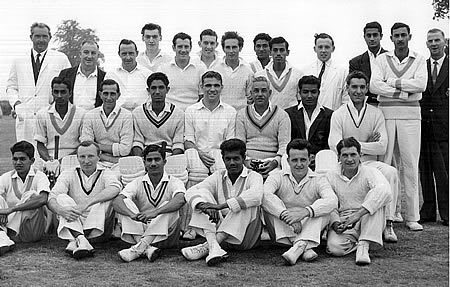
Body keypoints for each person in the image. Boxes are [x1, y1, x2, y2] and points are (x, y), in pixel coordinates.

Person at [328, 71, 400, 242]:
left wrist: (353, 145)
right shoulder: (339, 114)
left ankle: (388, 224)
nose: (358, 91)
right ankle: (336, 221)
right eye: (354, 87)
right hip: (347, 164)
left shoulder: (376, 113)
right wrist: (366, 145)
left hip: (369, 164)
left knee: (390, 172)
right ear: (347, 88)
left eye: (362, 87)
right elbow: (334, 144)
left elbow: (382, 146)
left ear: (367, 88)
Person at [370, 22, 427, 231]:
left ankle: (412, 216)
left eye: (403, 35)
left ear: (409, 36)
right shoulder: (382, 59)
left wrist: (392, 83)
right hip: (385, 114)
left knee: (410, 164)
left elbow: (421, 86)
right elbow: (374, 85)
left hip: (411, 117)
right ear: (391, 38)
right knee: (386, 163)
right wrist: (405, 91)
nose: (400, 39)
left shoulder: (419, 59)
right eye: (396, 36)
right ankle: (389, 215)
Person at [181, 139, 263, 266]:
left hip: (247, 239)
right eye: (228, 159)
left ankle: (208, 246)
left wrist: (220, 206)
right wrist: (204, 206)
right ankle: (214, 248)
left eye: (236, 158)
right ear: (223, 159)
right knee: (202, 195)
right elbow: (191, 191)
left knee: (248, 203)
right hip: (224, 238)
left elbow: (256, 196)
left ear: (244, 157)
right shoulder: (218, 176)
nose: (232, 163)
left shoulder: (254, 176)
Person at [262, 139, 337, 265]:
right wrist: (286, 215)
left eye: (303, 160)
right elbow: (264, 195)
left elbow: (332, 200)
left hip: (307, 225)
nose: (299, 164)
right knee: (268, 206)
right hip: (283, 231)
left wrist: (304, 212)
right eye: (294, 160)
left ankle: (298, 247)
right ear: (287, 161)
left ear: (310, 160)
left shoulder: (319, 179)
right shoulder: (277, 176)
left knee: (326, 211)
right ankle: (304, 246)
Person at [47, 141, 121, 259]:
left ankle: (76, 239)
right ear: (77, 157)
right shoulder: (69, 173)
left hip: (98, 229)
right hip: (75, 218)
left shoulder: (106, 172)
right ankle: (82, 240)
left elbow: (115, 188)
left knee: (105, 199)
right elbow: (52, 196)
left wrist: (87, 203)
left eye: (90, 156)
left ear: (99, 156)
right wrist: (60, 210)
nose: (86, 161)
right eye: (82, 156)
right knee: (61, 198)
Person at [113, 144, 186, 262]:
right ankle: (146, 248)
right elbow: (117, 202)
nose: (153, 164)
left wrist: (155, 213)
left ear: (164, 161)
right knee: (125, 202)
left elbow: (180, 200)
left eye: (157, 159)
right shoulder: (138, 182)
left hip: (166, 236)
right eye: (149, 160)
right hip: (142, 230)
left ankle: (138, 248)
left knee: (169, 205)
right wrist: (132, 215)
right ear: (144, 163)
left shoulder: (175, 181)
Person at [326, 137, 391, 265]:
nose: (349, 159)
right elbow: (329, 202)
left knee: (376, 196)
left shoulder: (371, 172)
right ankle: (365, 240)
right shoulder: (331, 176)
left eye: (353, 155)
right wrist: (335, 222)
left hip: (368, 217)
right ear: (338, 156)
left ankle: (364, 246)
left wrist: (357, 215)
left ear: (360, 155)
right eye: (345, 155)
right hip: (345, 221)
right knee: (335, 249)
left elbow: (385, 191)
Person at [6, 22, 71, 146]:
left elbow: (68, 86)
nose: (41, 40)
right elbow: (11, 87)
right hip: (25, 117)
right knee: (25, 156)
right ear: (31, 37)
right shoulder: (19, 60)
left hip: (51, 116)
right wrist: (17, 104)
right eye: (37, 36)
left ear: (50, 38)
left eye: (44, 36)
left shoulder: (61, 59)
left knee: (49, 156)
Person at [419, 28, 449, 226]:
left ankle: (447, 212)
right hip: (423, 126)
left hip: (445, 127)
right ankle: (428, 211)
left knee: (444, 172)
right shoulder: (422, 65)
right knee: (425, 170)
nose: (434, 44)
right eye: (430, 41)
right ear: (426, 44)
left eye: (437, 40)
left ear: (444, 42)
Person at [0, 141, 50, 255]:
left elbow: (43, 199)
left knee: (31, 195)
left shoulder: (40, 176)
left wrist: (11, 210)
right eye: (15, 159)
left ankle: (3, 235)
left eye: (22, 159)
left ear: (32, 161)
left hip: (31, 230)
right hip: (9, 227)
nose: (18, 162)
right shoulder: (7, 177)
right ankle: (3, 238)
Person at [236, 76, 291, 178]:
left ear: (270, 93)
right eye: (256, 91)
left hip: (272, 163)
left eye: (263, 91)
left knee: (275, 181)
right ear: (251, 94)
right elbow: (240, 143)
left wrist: (275, 163)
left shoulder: (282, 115)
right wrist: (246, 161)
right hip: (248, 162)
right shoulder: (241, 114)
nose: (260, 94)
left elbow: (284, 145)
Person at [184, 71, 236, 174]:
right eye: (208, 85)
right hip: (197, 153)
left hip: (220, 154)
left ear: (222, 87)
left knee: (221, 172)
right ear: (201, 87)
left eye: (216, 85)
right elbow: (188, 140)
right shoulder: (190, 110)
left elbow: (230, 141)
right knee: (197, 173)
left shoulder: (231, 112)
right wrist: (200, 153)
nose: (212, 89)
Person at [80, 79, 133, 168]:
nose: (108, 98)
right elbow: (86, 145)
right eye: (105, 93)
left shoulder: (127, 115)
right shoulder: (90, 115)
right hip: (96, 162)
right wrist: (106, 156)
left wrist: (97, 147)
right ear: (100, 94)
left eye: (112, 94)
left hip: (119, 163)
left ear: (118, 95)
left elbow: (125, 149)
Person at [132, 73, 184, 157]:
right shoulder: (138, 113)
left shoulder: (178, 114)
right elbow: (137, 142)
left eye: (161, 88)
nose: (157, 92)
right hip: (146, 156)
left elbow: (178, 143)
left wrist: (170, 161)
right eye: (153, 88)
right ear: (148, 90)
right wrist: (142, 160)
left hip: (169, 156)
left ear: (167, 89)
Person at [285, 75, 333, 168]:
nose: (309, 96)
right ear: (299, 93)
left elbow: (329, 144)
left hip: (321, 163)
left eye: (313, 92)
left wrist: (316, 157)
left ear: (319, 92)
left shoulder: (329, 115)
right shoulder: (288, 114)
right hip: (294, 161)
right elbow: (286, 142)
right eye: (305, 92)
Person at [35, 77, 86, 161]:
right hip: (50, 160)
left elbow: (84, 144)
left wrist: (63, 161)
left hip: (74, 159)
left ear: (70, 93)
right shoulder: (42, 114)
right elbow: (40, 144)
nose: (59, 96)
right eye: (56, 92)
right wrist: (49, 161)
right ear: (52, 93)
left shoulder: (81, 114)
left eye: (63, 92)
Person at [158, 33, 206, 111]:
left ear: (190, 48)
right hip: (169, 113)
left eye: (186, 47)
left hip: (193, 112)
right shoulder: (163, 68)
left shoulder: (200, 68)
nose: (183, 50)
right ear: (173, 48)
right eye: (180, 47)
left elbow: (203, 95)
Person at [255, 37, 304, 109]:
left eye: (281, 50)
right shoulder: (259, 75)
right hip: (269, 117)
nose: (278, 53)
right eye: (275, 50)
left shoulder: (298, 75)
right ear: (270, 52)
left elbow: (300, 100)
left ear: (287, 52)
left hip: (291, 117)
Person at [302, 33, 348, 110]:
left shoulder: (342, 72)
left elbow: (346, 99)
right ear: (314, 49)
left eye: (327, 47)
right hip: (310, 117)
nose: (323, 50)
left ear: (333, 49)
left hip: (334, 117)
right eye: (320, 47)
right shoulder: (305, 71)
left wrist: (338, 117)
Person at [58, 40, 106, 110]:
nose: (89, 56)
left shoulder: (105, 77)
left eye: (93, 53)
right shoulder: (65, 74)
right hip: (70, 119)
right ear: (80, 54)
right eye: (86, 52)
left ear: (98, 56)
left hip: (94, 119)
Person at [211, 31, 253, 111]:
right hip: (220, 114)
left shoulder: (248, 70)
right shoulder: (215, 69)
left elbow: (250, 98)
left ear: (240, 48)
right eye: (228, 47)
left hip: (241, 114)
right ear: (223, 49)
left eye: (234, 47)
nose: (231, 51)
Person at [105, 39, 152, 111]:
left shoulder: (148, 74)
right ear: (119, 54)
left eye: (131, 53)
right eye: (124, 54)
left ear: (137, 53)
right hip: (118, 115)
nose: (128, 57)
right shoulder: (111, 75)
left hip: (142, 115)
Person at [349, 22, 387, 106]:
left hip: (387, 103)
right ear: (364, 37)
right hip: (365, 105)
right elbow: (353, 86)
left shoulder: (391, 58)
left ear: (381, 36)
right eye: (369, 35)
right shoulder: (355, 62)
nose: (372, 39)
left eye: (375, 35)